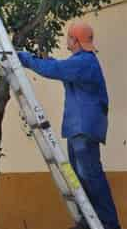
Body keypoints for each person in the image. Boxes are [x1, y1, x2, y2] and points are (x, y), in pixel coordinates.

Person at [17, 22, 120, 229]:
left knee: (90, 176)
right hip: (79, 127)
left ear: (75, 40)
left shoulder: (85, 62)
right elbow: (59, 68)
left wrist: (23, 57)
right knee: (79, 178)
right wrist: (44, 60)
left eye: (69, 37)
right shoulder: (80, 62)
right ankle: (88, 220)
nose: (67, 40)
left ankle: (109, 224)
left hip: (84, 128)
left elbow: (55, 69)